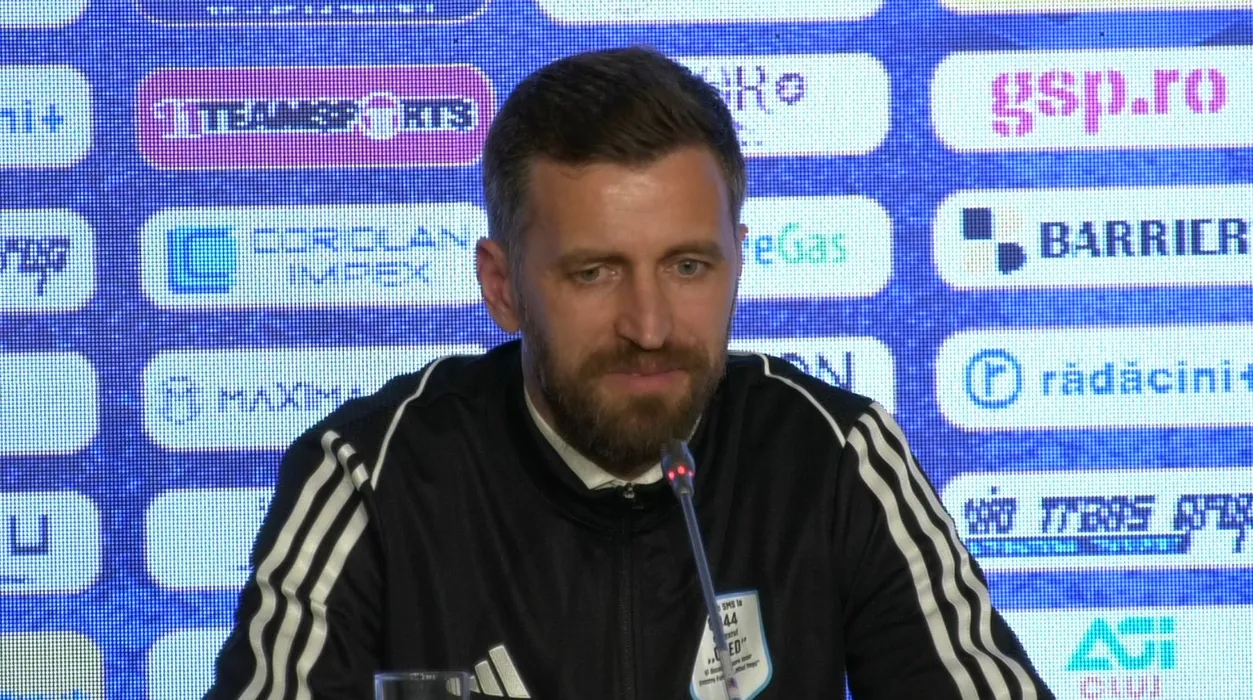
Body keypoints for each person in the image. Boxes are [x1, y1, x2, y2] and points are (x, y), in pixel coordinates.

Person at [208, 46, 1053, 699]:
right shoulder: (369, 473)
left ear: (737, 262)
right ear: (502, 287)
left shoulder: (833, 454)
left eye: (687, 267)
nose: (649, 327)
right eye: (594, 273)